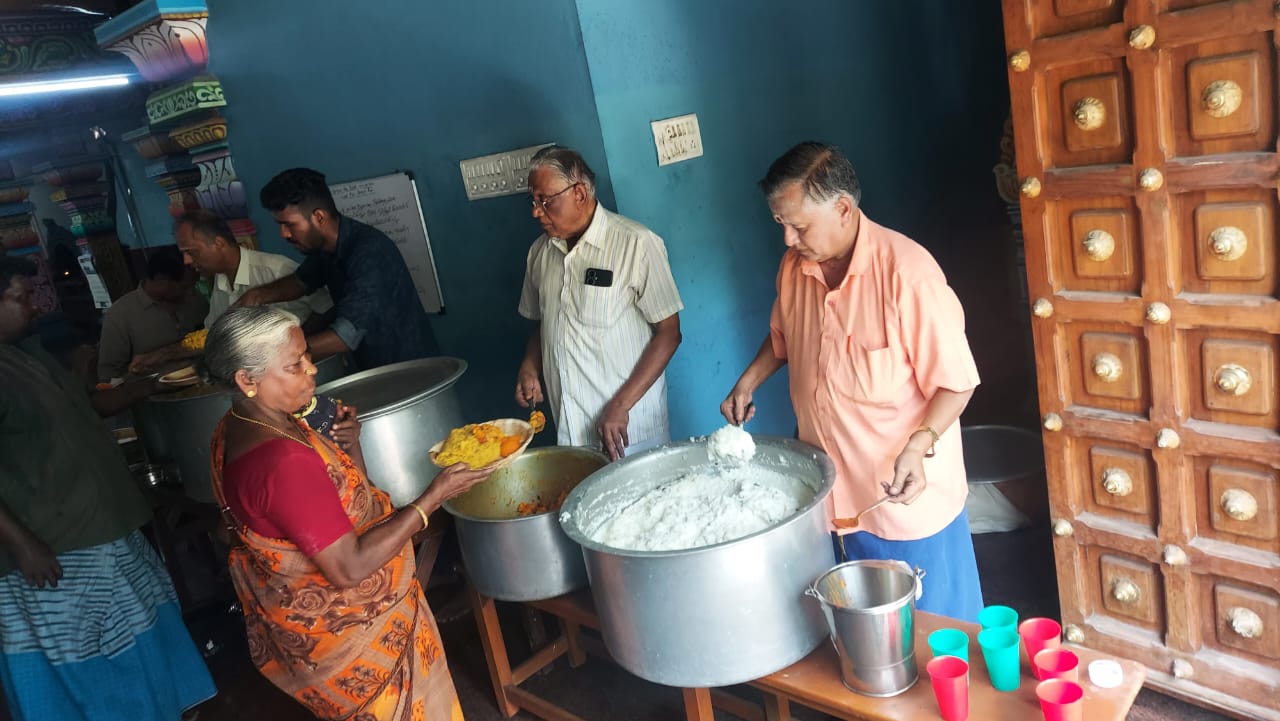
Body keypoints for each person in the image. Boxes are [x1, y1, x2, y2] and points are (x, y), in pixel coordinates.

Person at [720, 142, 983, 621]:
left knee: (935, 638)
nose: (787, 239)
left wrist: (918, 443)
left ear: (842, 208)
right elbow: (783, 338)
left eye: (797, 225)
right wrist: (748, 381)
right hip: (829, 500)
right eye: (780, 224)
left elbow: (957, 382)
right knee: (860, 637)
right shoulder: (794, 269)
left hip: (902, 502)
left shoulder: (908, 274)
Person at [204, 305, 492, 720]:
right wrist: (433, 497)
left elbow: (341, 507)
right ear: (247, 380)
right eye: (294, 365)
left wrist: (350, 443)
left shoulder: (236, 425)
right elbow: (348, 566)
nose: (312, 371)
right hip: (356, 642)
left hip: (311, 633)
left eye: (306, 357)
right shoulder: (280, 461)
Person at [0, 256, 216, 720]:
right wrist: (22, 546)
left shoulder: (27, 351)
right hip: (57, 548)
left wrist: (142, 382)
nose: (34, 308)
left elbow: (85, 407)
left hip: (104, 528)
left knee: (143, 631)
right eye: (20, 298)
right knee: (90, 658)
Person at [514, 146, 684, 460]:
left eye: (545, 200)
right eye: (533, 201)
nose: (536, 211)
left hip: (630, 430)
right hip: (571, 431)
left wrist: (621, 405)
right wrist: (530, 364)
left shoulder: (636, 243)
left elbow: (669, 333)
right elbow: (545, 322)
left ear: (579, 192)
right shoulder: (540, 253)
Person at [235, 168, 438, 370]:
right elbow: (301, 282)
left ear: (319, 218)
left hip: (409, 370)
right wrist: (256, 296)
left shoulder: (369, 252)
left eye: (289, 225)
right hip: (373, 368)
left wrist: (276, 359)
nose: (284, 234)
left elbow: (344, 337)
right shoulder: (324, 248)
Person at [128, 209, 333, 374]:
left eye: (192, 252)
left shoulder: (276, 270)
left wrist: (296, 343)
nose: (187, 262)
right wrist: (161, 355)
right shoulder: (220, 283)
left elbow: (327, 309)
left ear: (218, 243)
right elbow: (213, 338)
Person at [97, 245, 208, 381]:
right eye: (184, 287)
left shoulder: (196, 301)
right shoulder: (121, 315)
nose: (191, 291)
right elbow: (108, 375)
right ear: (161, 281)